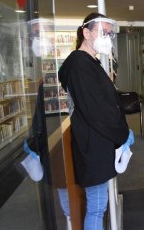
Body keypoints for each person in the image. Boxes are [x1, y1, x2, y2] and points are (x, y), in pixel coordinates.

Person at [58, 12, 131, 230]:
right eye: (103, 32)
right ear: (86, 33)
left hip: (96, 141)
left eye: (109, 33)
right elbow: (97, 110)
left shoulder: (87, 62)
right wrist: (123, 135)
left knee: (98, 205)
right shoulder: (80, 65)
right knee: (97, 206)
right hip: (94, 144)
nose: (107, 37)